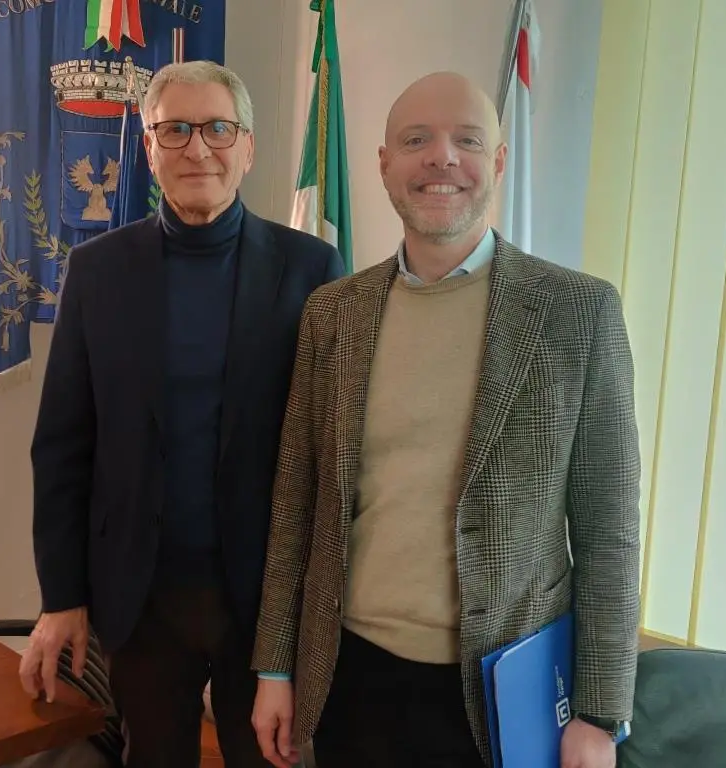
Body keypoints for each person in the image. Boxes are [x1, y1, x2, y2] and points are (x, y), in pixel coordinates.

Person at [250, 71, 641, 768]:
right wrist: (274, 669)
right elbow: (295, 504)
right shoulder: (332, 313)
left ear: (495, 161)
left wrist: (597, 713)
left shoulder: (576, 313)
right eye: (414, 140)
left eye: (465, 140)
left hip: (500, 693)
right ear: (383, 165)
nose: (441, 158)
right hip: (348, 678)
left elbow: (608, 533)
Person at [19, 60, 345, 768]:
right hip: (140, 600)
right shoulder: (97, 270)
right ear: (148, 148)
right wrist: (61, 595)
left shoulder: (313, 272)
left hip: (262, 604)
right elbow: (63, 447)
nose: (198, 148)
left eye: (218, 129)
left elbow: (332, 455)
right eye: (175, 131)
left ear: (248, 146)